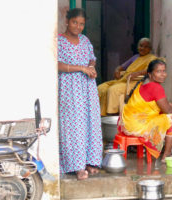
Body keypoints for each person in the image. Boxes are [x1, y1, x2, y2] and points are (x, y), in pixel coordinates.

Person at [58, 8, 103, 180]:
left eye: (81, 23)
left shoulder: (85, 40)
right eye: (75, 22)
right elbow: (58, 65)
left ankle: (90, 161)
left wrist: (91, 67)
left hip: (88, 86)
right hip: (70, 89)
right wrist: (81, 68)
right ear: (67, 21)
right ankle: (77, 166)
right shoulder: (59, 41)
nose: (78, 26)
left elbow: (92, 58)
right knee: (74, 125)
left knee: (91, 121)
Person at [118, 59, 172, 162]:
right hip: (136, 127)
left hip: (125, 123)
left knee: (163, 114)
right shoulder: (156, 88)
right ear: (150, 74)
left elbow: (157, 104)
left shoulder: (144, 82)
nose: (163, 75)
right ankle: (167, 155)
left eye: (164, 71)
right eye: (158, 71)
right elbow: (168, 110)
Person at [98, 38, 157, 116]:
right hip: (123, 80)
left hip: (135, 82)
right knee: (101, 87)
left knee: (113, 90)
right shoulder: (135, 57)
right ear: (138, 46)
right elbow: (121, 67)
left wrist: (136, 73)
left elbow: (151, 69)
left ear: (149, 49)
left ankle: (112, 114)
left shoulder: (152, 58)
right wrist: (117, 70)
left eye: (146, 47)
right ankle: (99, 113)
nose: (142, 48)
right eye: (141, 46)